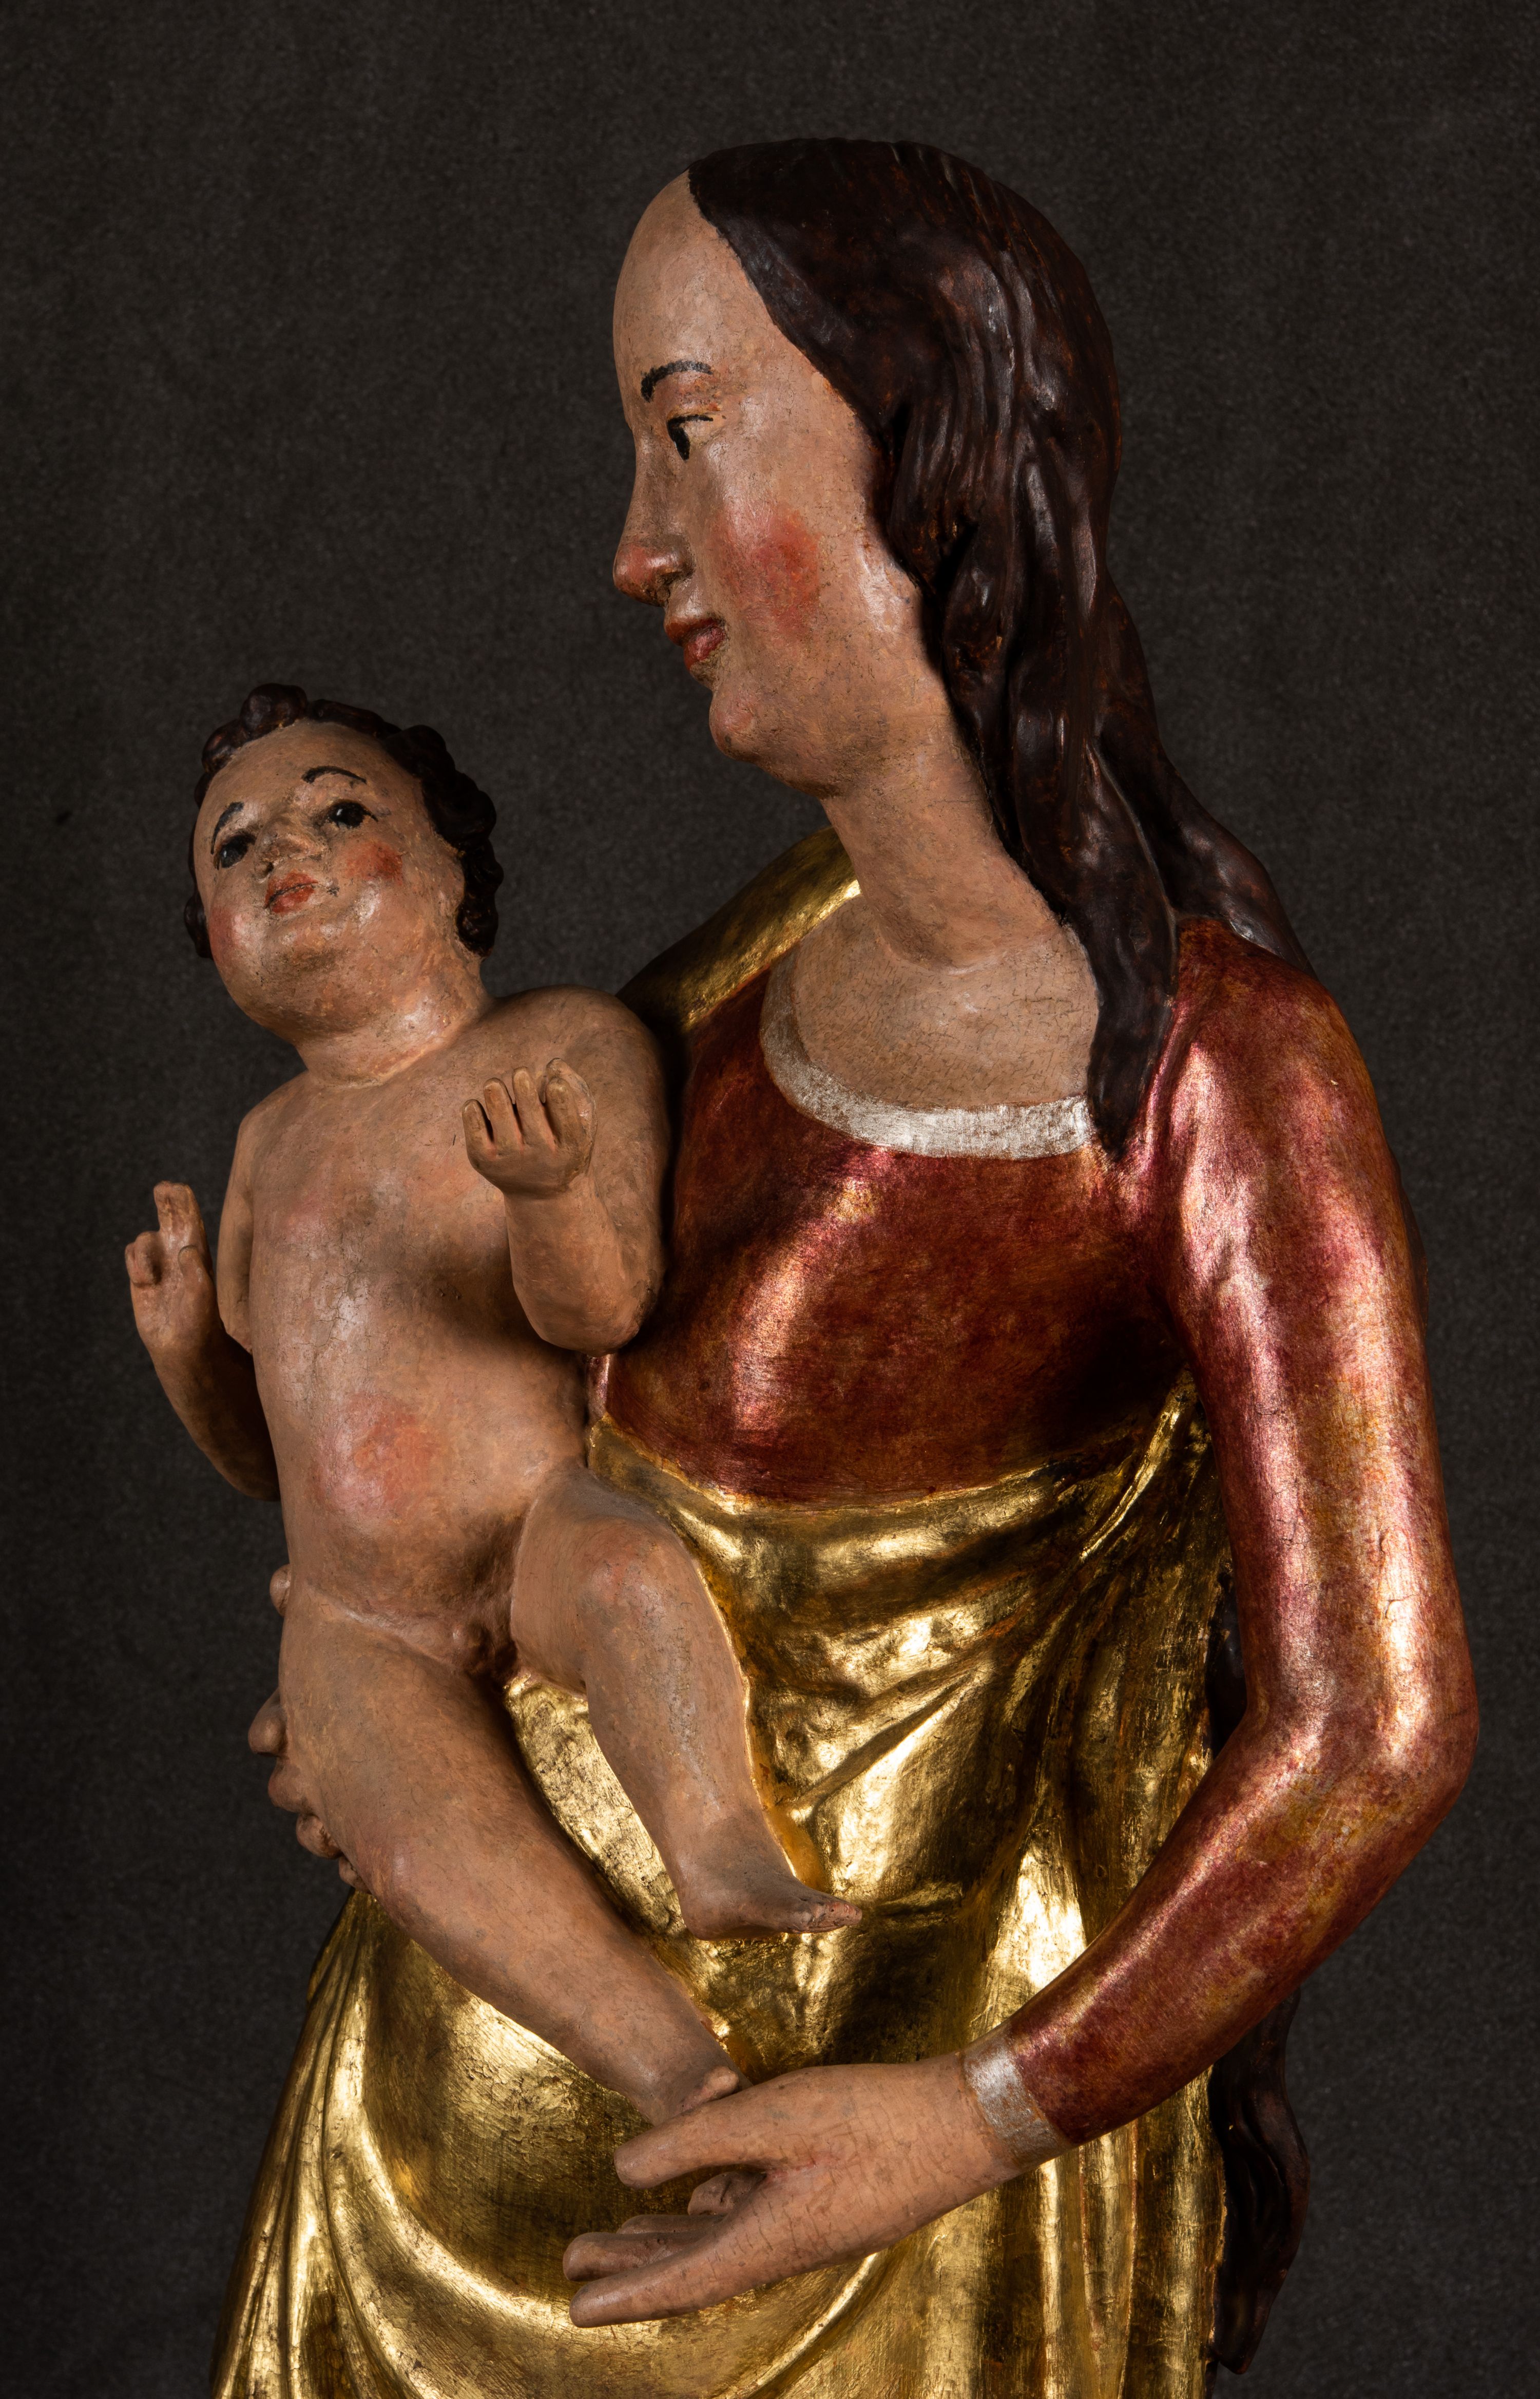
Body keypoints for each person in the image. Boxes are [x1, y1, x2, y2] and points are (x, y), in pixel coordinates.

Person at [215, 145, 1476, 2399]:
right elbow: (494, 1387)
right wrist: (385, 1684)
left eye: (686, 432)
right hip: (437, 2148)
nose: (634, 548)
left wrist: (978, 2117)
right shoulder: (753, 957)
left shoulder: (1216, 1072)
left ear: (927, 450)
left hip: (869, 2219)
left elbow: (1375, 1728)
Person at [125, 686, 860, 2117]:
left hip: (533, 1524)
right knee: (423, 1852)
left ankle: (718, 1846)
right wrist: (187, 1358)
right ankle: (675, 2078)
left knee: (635, 1584)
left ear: (452, 866)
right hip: (355, 1623)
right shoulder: (267, 1145)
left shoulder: (559, 1045)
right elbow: (267, 1460)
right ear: (211, 935)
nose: (285, 853)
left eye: (341, 812)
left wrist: (549, 1197)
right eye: (234, 845)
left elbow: (605, 1310)